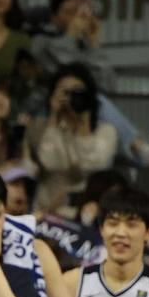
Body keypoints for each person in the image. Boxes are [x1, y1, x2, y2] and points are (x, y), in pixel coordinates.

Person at [30, 64, 117, 214]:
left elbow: (94, 166)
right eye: (65, 91)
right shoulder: (41, 128)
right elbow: (48, 161)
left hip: (86, 214)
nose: (72, 97)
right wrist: (53, 117)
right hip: (46, 213)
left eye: (78, 92)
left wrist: (83, 126)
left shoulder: (106, 131)